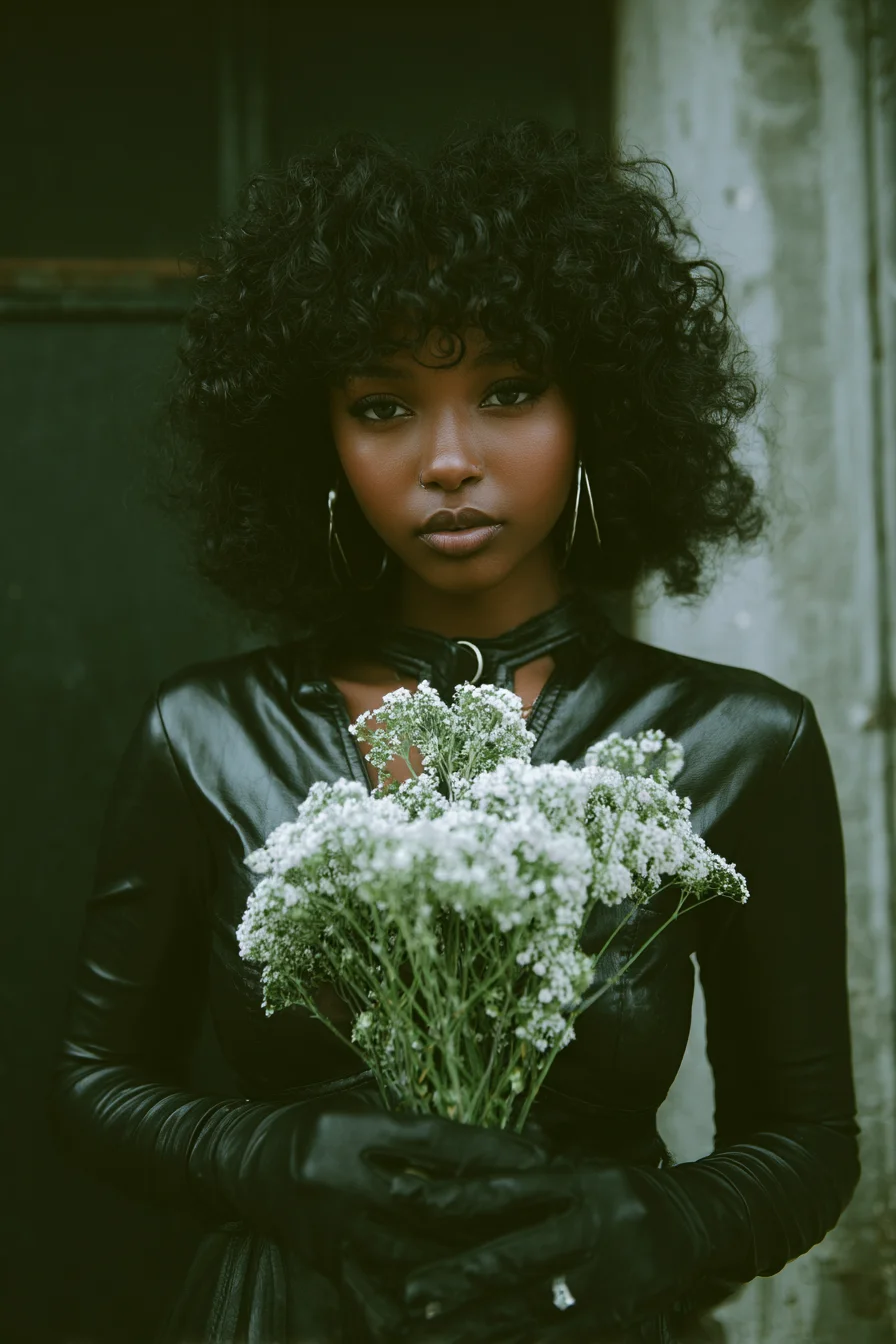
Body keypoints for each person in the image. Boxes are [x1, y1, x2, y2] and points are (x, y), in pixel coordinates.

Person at [50, 121, 860, 1344]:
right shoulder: (205, 733)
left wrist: (660, 1229)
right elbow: (90, 1083)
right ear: (313, 440)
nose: (446, 460)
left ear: (597, 408)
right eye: (382, 405)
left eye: (509, 391)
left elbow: (803, 1141)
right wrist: (261, 1151)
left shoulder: (739, 738)